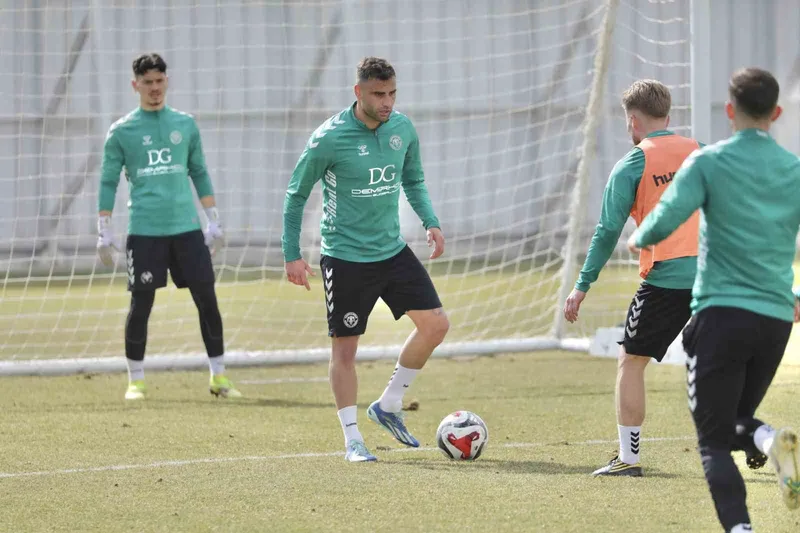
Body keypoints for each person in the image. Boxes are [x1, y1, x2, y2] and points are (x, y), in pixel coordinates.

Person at [628, 67, 800, 532]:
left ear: (729, 111)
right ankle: (767, 441)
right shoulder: (794, 170)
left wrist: (638, 238)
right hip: (775, 320)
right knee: (733, 420)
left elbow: (666, 217)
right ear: (776, 113)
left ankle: (741, 526)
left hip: (722, 315)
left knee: (713, 441)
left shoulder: (709, 162)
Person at [281, 56, 449, 462]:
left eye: (392, 93)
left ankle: (388, 404)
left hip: (391, 250)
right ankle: (353, 439)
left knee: (436, 325)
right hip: (345, 258)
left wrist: (431, 221)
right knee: (345, 352)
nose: (387, 102)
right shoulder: (329, 139)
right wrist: (292, 255)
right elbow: (296, 195)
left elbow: (413, 179)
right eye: (378, 94)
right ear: (358, 92)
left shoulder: (402, 129)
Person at [564, 79, 702, 476]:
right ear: (668, 117)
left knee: (631, 360)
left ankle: (628, 458)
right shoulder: (701, 152)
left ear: (633, 121)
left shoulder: (632, 164)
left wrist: (581, 286)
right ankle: (750, 436)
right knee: (718, 359)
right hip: (715, 276)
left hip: (668, 281)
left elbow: (607, 232)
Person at [97, 53, 240, 401]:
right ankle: (136, 380)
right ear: (135, 85)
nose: (154, 88)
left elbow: (199, 171)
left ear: (167, 82)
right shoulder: (122, 131)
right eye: (147, 82)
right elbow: (108, 180)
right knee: (141, 304)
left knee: (207, 299)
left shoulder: (185, 124)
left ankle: (219, 377)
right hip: (145, 231)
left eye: (159, 81)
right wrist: (104, 228)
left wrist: (213, 219)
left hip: (186, 230)